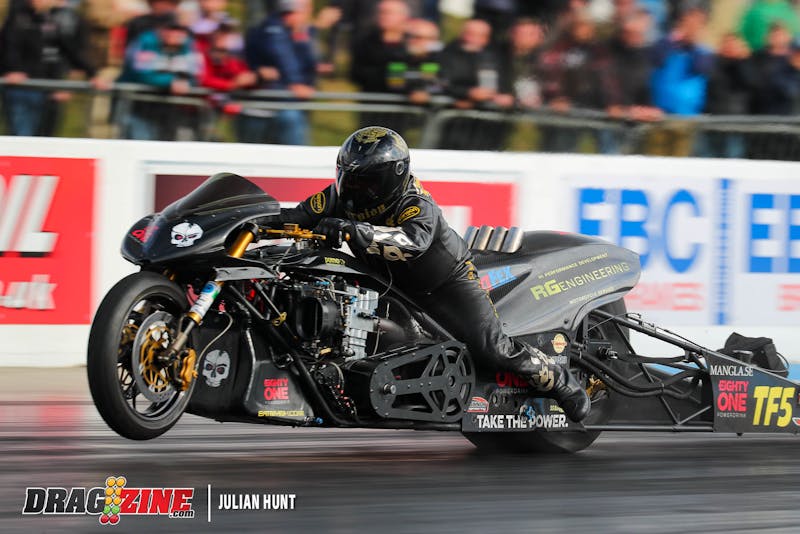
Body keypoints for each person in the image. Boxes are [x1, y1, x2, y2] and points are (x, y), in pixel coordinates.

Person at [279, 126, 592, 423]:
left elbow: (413, 241)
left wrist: (354, 230)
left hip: (447, 284)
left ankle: (560, 381)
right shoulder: (337, 198)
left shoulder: (414, 203)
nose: (356, 189)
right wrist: (254, 223)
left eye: (368, 182)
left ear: (392, 178)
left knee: (492, 348)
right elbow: (293, 216)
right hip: (390, 285)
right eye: (351, 178)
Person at [1, 0, 99, 136]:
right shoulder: (17, 17)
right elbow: (8, 47)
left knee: (46, 137)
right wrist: (12, 70)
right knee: (22, 137)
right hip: (21, 88)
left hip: (48, 88)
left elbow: (66, 50)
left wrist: (92, 74)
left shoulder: (51, 20)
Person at [242, 0, 317, 145]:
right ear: (290, 13)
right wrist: (294, 82)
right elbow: (282, 56)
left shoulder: (290, 32)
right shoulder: (275, 30)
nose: (305, 17)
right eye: (303, 11)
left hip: (280, 100)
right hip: (273, 102)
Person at [116, 19, 204, 140]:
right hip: (138, 106)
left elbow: (196, 74)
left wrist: (187, 82)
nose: (175, 34)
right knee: (140, 141)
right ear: (162, 30)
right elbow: (142, 74)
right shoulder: (146, 42)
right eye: (171, 30)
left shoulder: (189, 46)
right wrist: (170, 82)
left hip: (171, 110)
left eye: (180, 31)